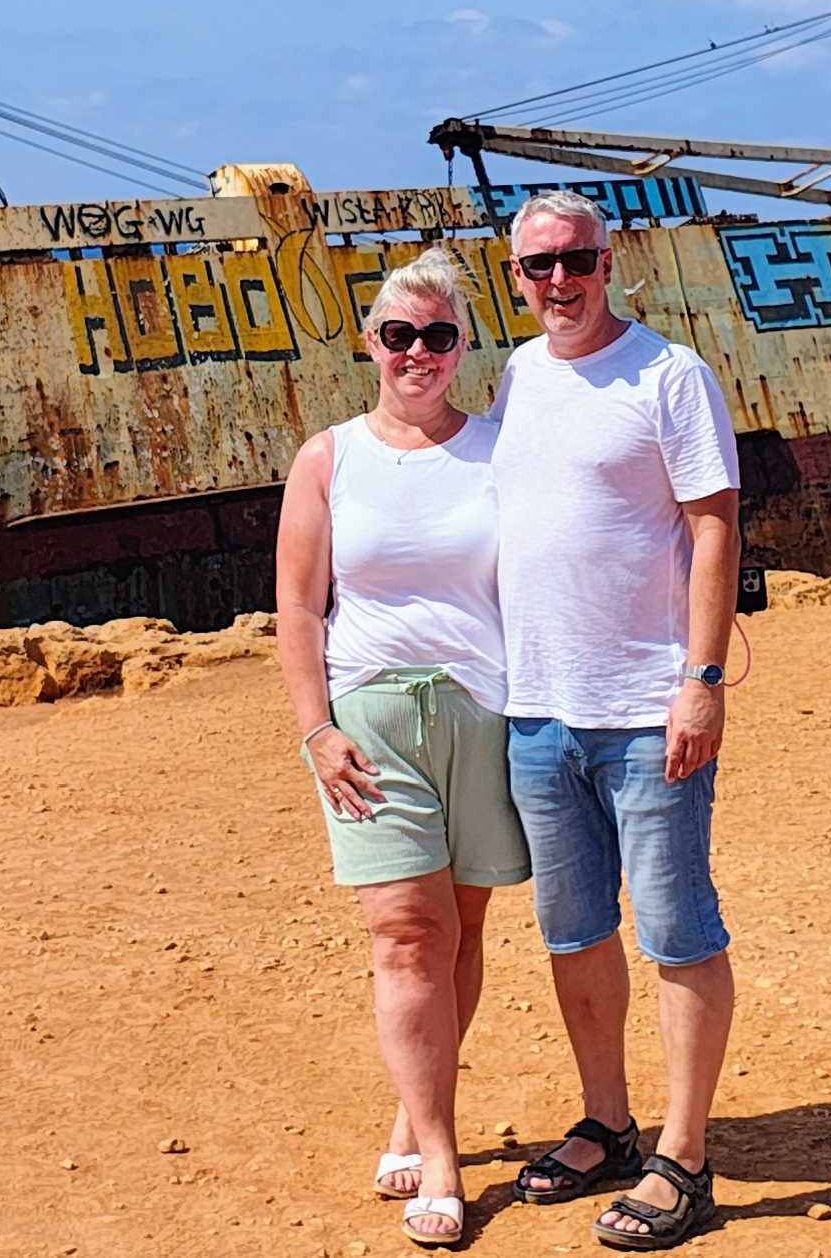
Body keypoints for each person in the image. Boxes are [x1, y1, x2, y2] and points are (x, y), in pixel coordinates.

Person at [485, 189, 742, 1251]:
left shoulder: (667, 375)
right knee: (575, 931)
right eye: (538, 266)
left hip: (645, 710)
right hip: (538, 711)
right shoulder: (513, 375)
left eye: (575, 261)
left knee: (677, 930)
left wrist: (702, 677)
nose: (559, 282)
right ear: (515, 276)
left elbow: (714, 526)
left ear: (608, 258)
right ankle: (608, 1121)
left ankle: (685, 1158)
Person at [275, 244, 529, 1250]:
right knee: (405, 934)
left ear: (462, 345)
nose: (416, 352)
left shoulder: (499, 449)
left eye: (437, 335)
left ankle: (407, 1114)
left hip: (484, 708)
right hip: (372, 716)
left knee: (460, 935)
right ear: (369, 345)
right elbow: (298, 606)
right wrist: (314, 728)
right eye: (397, 336)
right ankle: (439, 1151)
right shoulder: (329, 457)